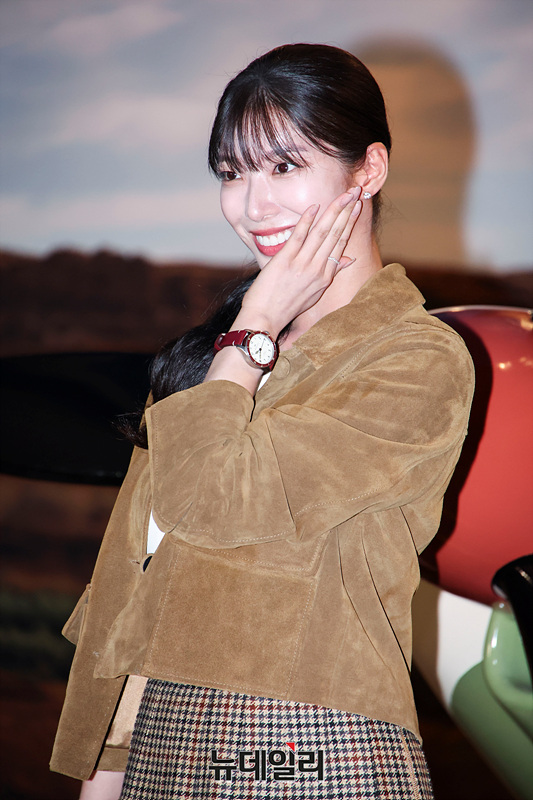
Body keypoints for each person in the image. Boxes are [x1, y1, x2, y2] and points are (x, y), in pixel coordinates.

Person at [50, 43, 474, 798]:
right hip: (166, 741)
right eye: (231, 172)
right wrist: (106, 770)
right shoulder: (209, 361)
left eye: (283, 166)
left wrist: (256, 326)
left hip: (307, 745)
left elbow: (211, 502)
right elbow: (144, 580)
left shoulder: (416, 359)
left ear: (368, 170)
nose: (251, 205)